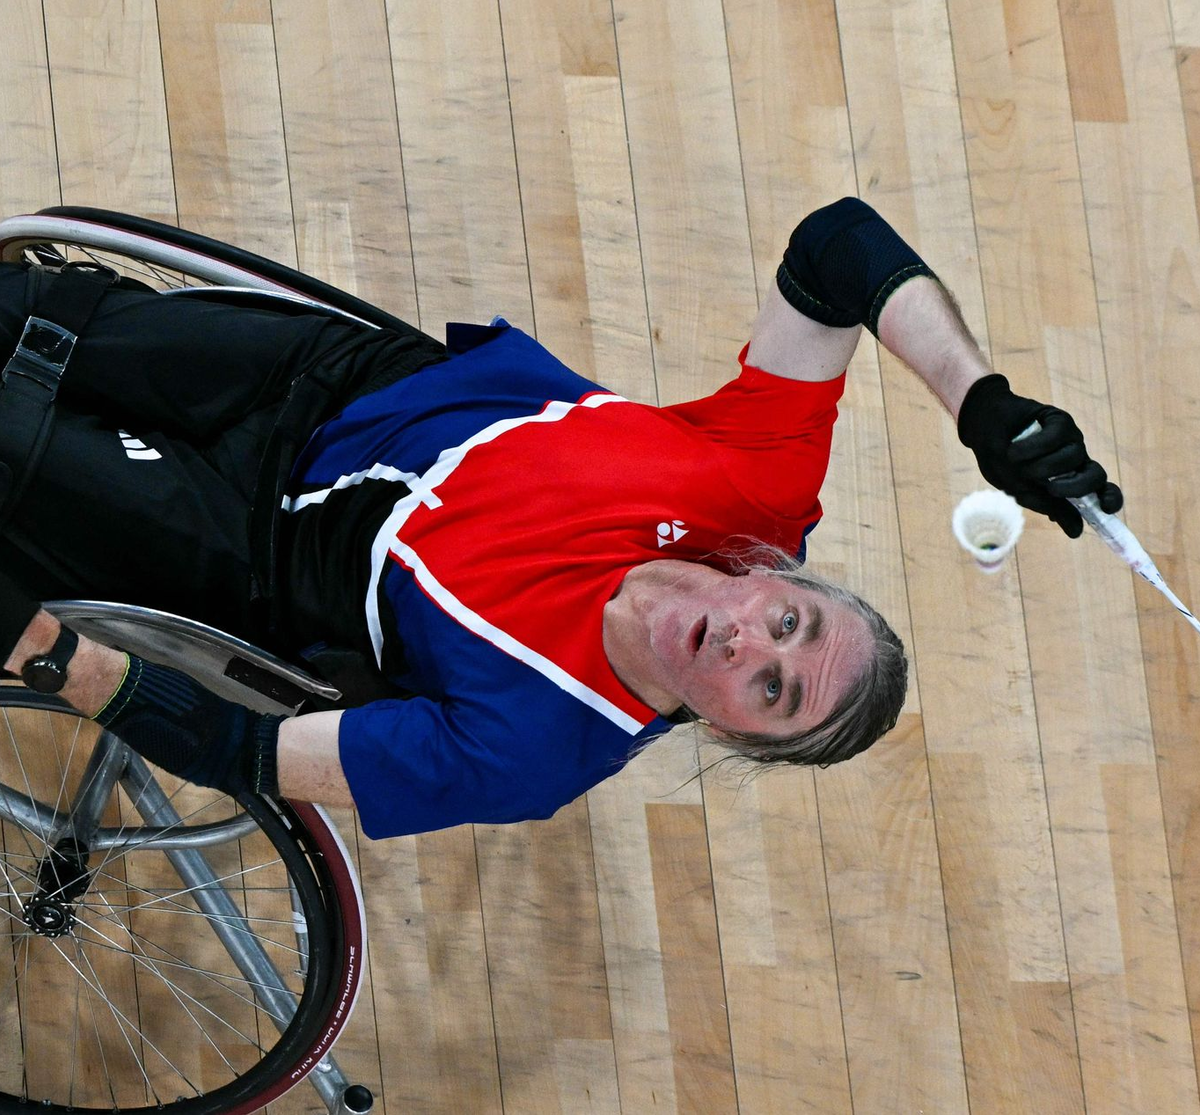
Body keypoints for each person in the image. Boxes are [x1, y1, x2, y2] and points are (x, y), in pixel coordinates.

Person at [0, 198, 1122, 839]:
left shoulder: (532, 749)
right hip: (320, 379)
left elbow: (243, 745)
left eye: (770, 691)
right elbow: (837, 248)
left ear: (728, 732)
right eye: (792, 627)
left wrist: (46, 651)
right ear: (780, 577)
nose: (752, 647)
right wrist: (983, 403)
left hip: (245, 546)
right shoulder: (757, 490)